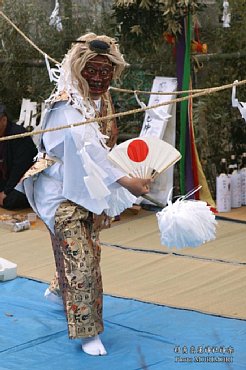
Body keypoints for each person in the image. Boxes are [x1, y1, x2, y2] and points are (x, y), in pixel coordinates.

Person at [20, 33, 151, 356]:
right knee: (82, 262)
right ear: (79, 69)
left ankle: (56, 289)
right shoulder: (67, 104)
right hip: (60, 193)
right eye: (92, 71)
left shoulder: (97, 98)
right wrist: (127, 182)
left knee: (88, 249)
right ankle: (87, 332)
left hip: (86, 189)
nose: (99, 78)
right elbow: (88, 150)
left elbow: (101, 144)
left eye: (106, 72)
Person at [0, 103, 37, 210]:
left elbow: (20, 167)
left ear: (4, 120)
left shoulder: (18, 135)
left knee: (11, 200)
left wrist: (6, 192)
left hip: (22, 180)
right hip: (4, 179)